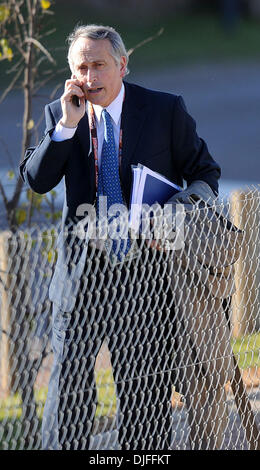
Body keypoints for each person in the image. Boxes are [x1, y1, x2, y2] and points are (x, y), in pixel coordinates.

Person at [20, 24, 221, 450]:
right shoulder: (63, 114)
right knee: (69, 386)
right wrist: (67, 126)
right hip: (81, 276)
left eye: (99, 65)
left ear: (122, 65)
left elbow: (206, 174)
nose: (90, 76)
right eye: (81, 66)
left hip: (145, 273)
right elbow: (37, 181)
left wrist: (171, 216)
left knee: (144, 392)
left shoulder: (164, 110)